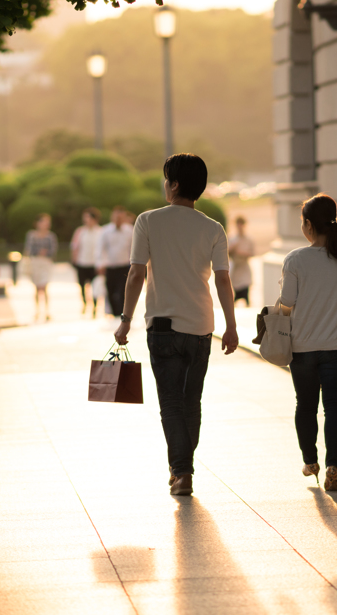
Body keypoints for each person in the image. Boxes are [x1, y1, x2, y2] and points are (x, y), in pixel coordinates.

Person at [114, 153, 239, 496]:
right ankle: (183, 468)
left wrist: (125, 320)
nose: (165, 184)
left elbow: (136, 273)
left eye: (167, 178)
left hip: (163, 327)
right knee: (191, 402)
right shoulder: (213, 228)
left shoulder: (148, 221)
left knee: (170, 402)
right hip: (202, 326)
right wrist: (231, 326)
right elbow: (224, 281)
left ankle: (182, 472)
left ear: (175, 184)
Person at [279, 193, 337, 492]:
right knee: (335, 406)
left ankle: (310, 461)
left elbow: (287, 302)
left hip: (303, 348)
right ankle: (333, 467)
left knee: (306, 405)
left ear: (308, 225)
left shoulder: (296, 259)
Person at [97, 206, 133, 318]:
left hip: (124, 265)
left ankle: (122, 313)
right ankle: (113, 312)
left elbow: (133, 247)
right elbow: (100, 248)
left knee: (122, 290)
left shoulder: (129, 230)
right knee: (111, 290)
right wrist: (100, 263)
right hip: (110, 266)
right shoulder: (105, 231)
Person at [25, 213, 57, 322]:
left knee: (45, 286)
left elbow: (53, 249)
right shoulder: (32, 235)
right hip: (35, 262)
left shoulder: (50, 236)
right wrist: (37, 252)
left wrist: (46, 253)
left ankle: (47, 311)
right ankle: (37, 310)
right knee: (37, 288)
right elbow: (28, 249)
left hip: (45, 262)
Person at [70, 207, 102, 317]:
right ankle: (84, 303)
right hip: (82, 262)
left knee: (95, 286)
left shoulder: (100, 231)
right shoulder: (80, 231)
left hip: (94, 263)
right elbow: (75, 246)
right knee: (82, 286)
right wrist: (74, 260)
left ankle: (94, 306)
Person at [228, 215, 255, 306]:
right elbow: (227, 252)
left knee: (246, 295)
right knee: (234, 295)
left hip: (244, 269)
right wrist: (232, 249)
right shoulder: (232, 238)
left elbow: (252, 253)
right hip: (235, 270)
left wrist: (240, 253)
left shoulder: (248, 239)